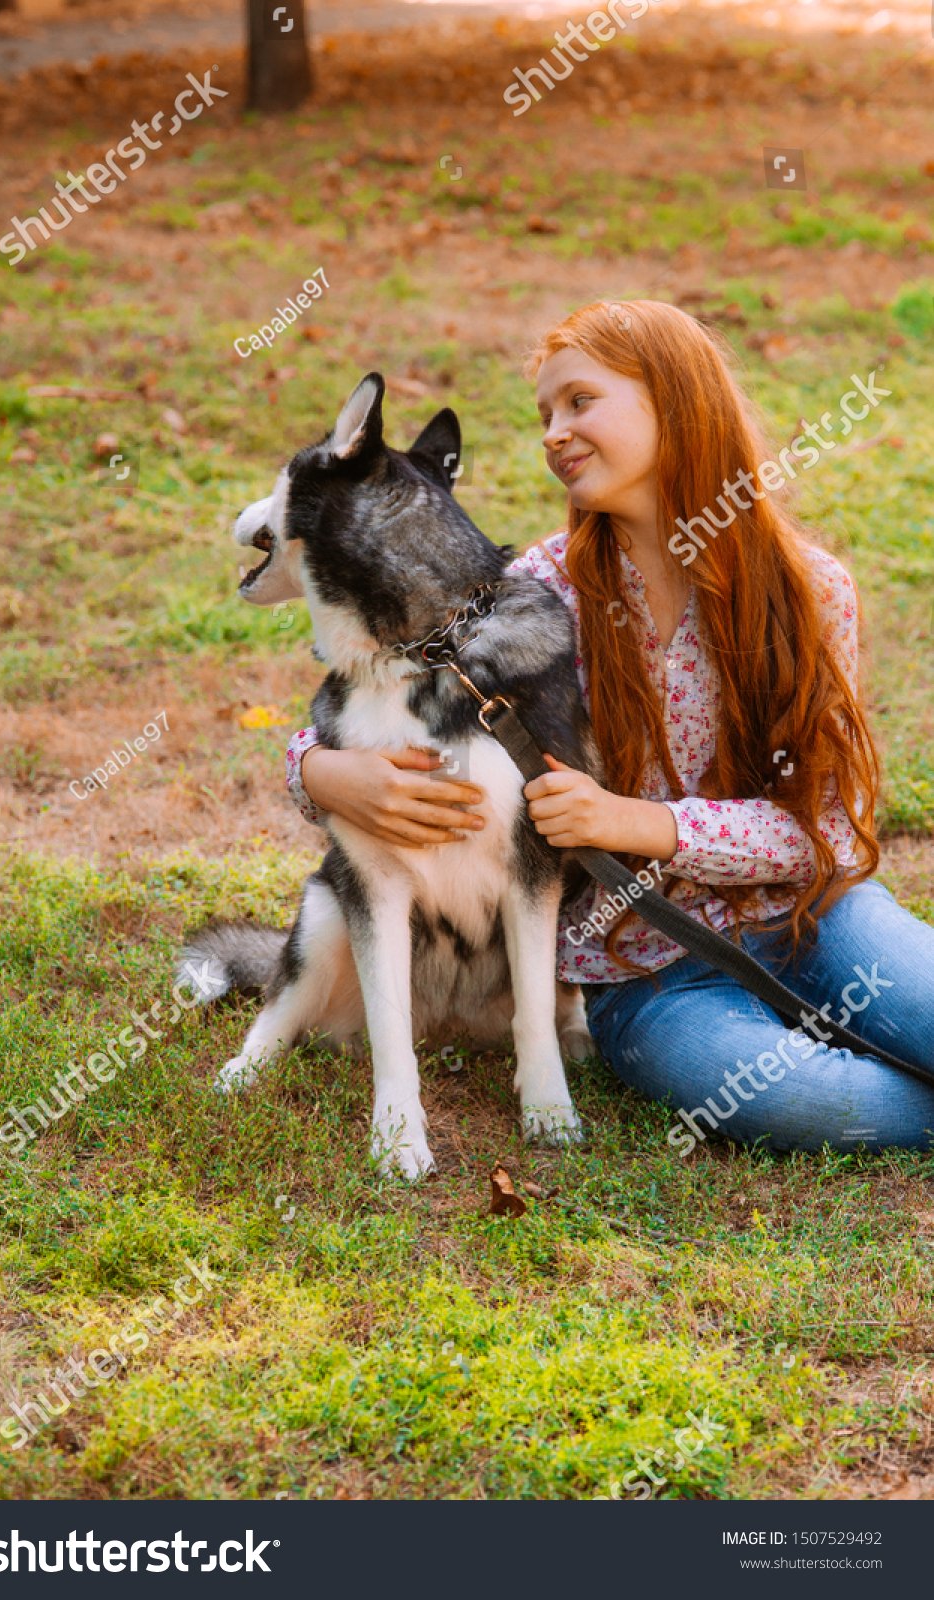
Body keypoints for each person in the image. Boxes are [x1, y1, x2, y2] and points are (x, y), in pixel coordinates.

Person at [285, 300, 934, 1154]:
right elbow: (386, 681)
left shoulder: (808, 592)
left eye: (580, 402)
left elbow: (825, 829)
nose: (555, 432)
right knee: (817, 1106)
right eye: (544, 415)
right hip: (642, 978)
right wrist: (321, 773)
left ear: (677, 402)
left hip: (816, 919)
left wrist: (639, 823)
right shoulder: (536, 591)